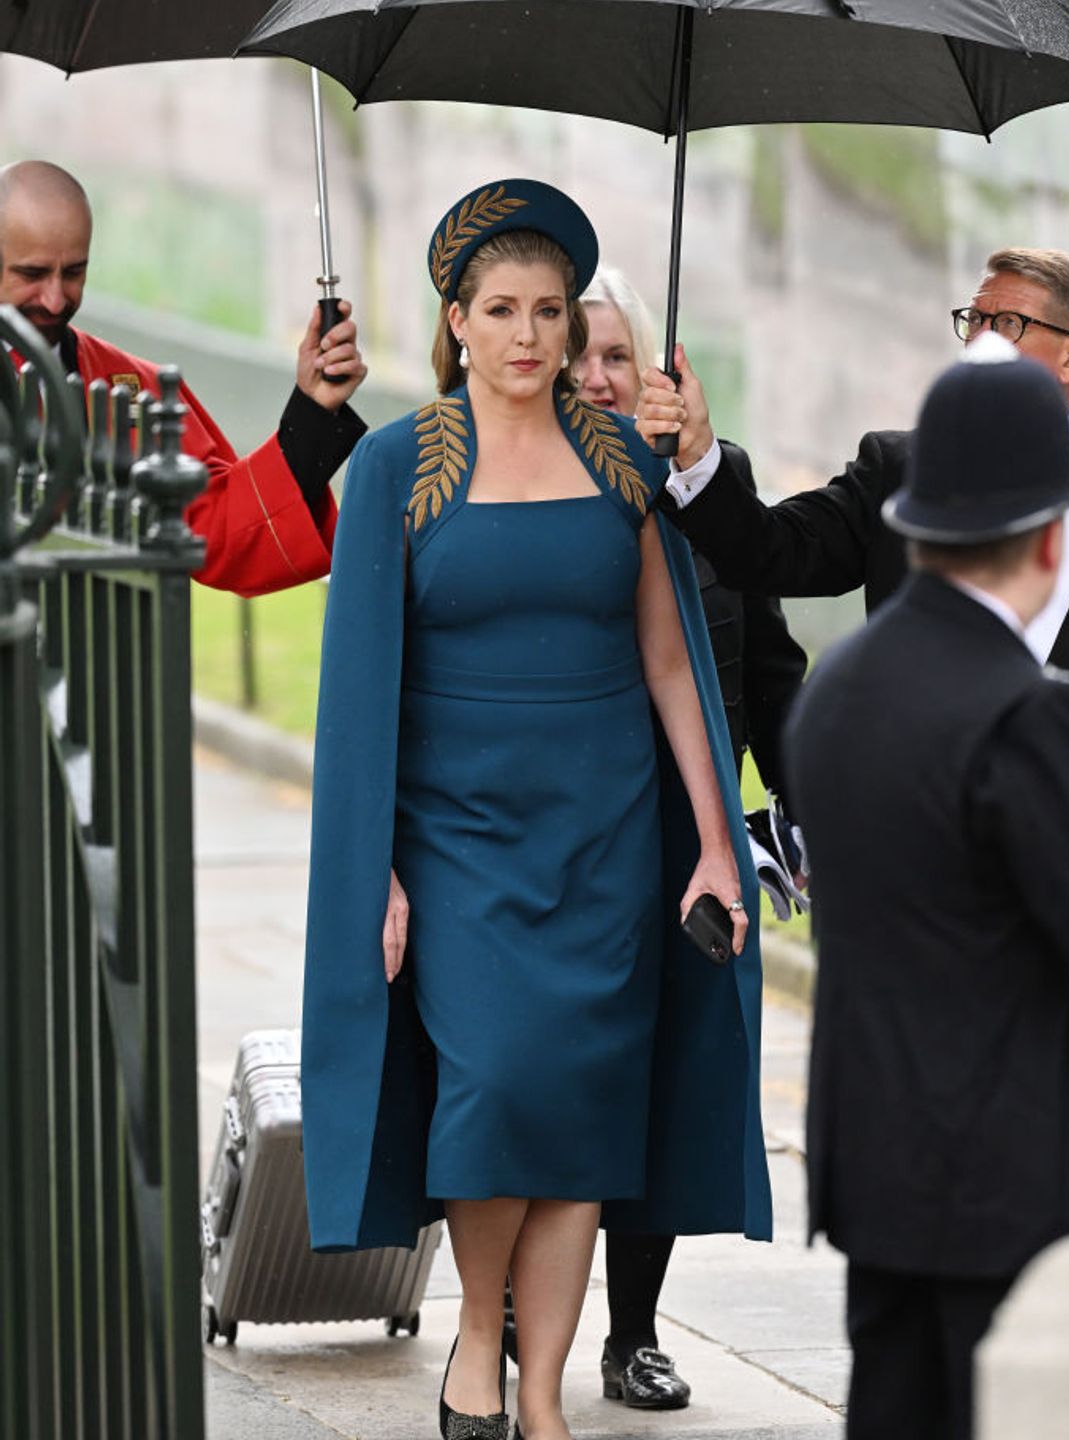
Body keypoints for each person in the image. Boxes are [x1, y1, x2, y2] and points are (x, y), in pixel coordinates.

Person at [301, 179, 772, 1440]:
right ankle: (476, 1339)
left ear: (573, 327)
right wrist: (377, 874)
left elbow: (674, 667)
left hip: (607, 838)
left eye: (548, 311)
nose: (525, 335)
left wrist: (716, 848)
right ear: (455, 323)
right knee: (497, 1086)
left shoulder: (623, 461)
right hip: (456, 843)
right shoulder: (398, 467)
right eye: (499, 310)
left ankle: (544, 1401)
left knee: (580, 1113)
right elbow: (356, 699)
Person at [506, 264, 800, 1412]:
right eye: (578, 351)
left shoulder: (705, 495)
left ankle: (632, 1334)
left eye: (617, 355)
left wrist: (798, 804)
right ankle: (506, 1324)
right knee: (548, 1072)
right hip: (565, 834)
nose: (596, 373)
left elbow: (770, 667)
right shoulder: (518, 490)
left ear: (658, 375)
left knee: (674, 1076)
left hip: (690, 839)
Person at [782, 334, 1069, 1440]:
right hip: (1010, 1186)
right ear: (1052, 536)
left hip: (877, 1170)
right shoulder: (1022, 712)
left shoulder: (841, 688)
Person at [635, 247, 1069, 669]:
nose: (980, 340)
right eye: (975, 319)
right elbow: (772, 550)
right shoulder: (900, 468)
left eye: (1007, 323)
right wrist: (696, 450)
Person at [0, 159, 368, 595]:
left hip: (108, 656)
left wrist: (312, 410)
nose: (57, 300)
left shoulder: (132, 389)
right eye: (33, 274)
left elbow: (222, 531)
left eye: (74, 272)